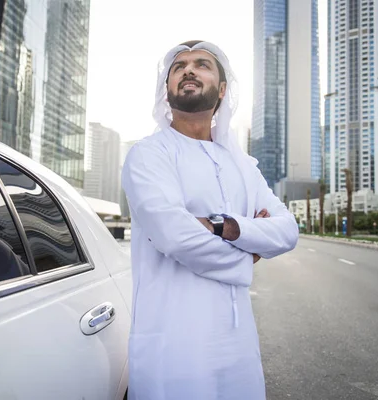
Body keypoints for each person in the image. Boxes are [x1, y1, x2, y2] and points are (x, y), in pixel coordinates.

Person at [121, 40, 299, 399]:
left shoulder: (242, 165)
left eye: (202, 64)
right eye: (179, 66)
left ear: (221, 90)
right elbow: (176, 237)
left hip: (238, 347)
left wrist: (223, 226)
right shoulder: (148, 155)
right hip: (175, 347)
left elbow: (287, 230)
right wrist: (249, 249)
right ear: (166, 90)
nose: (188, 69)